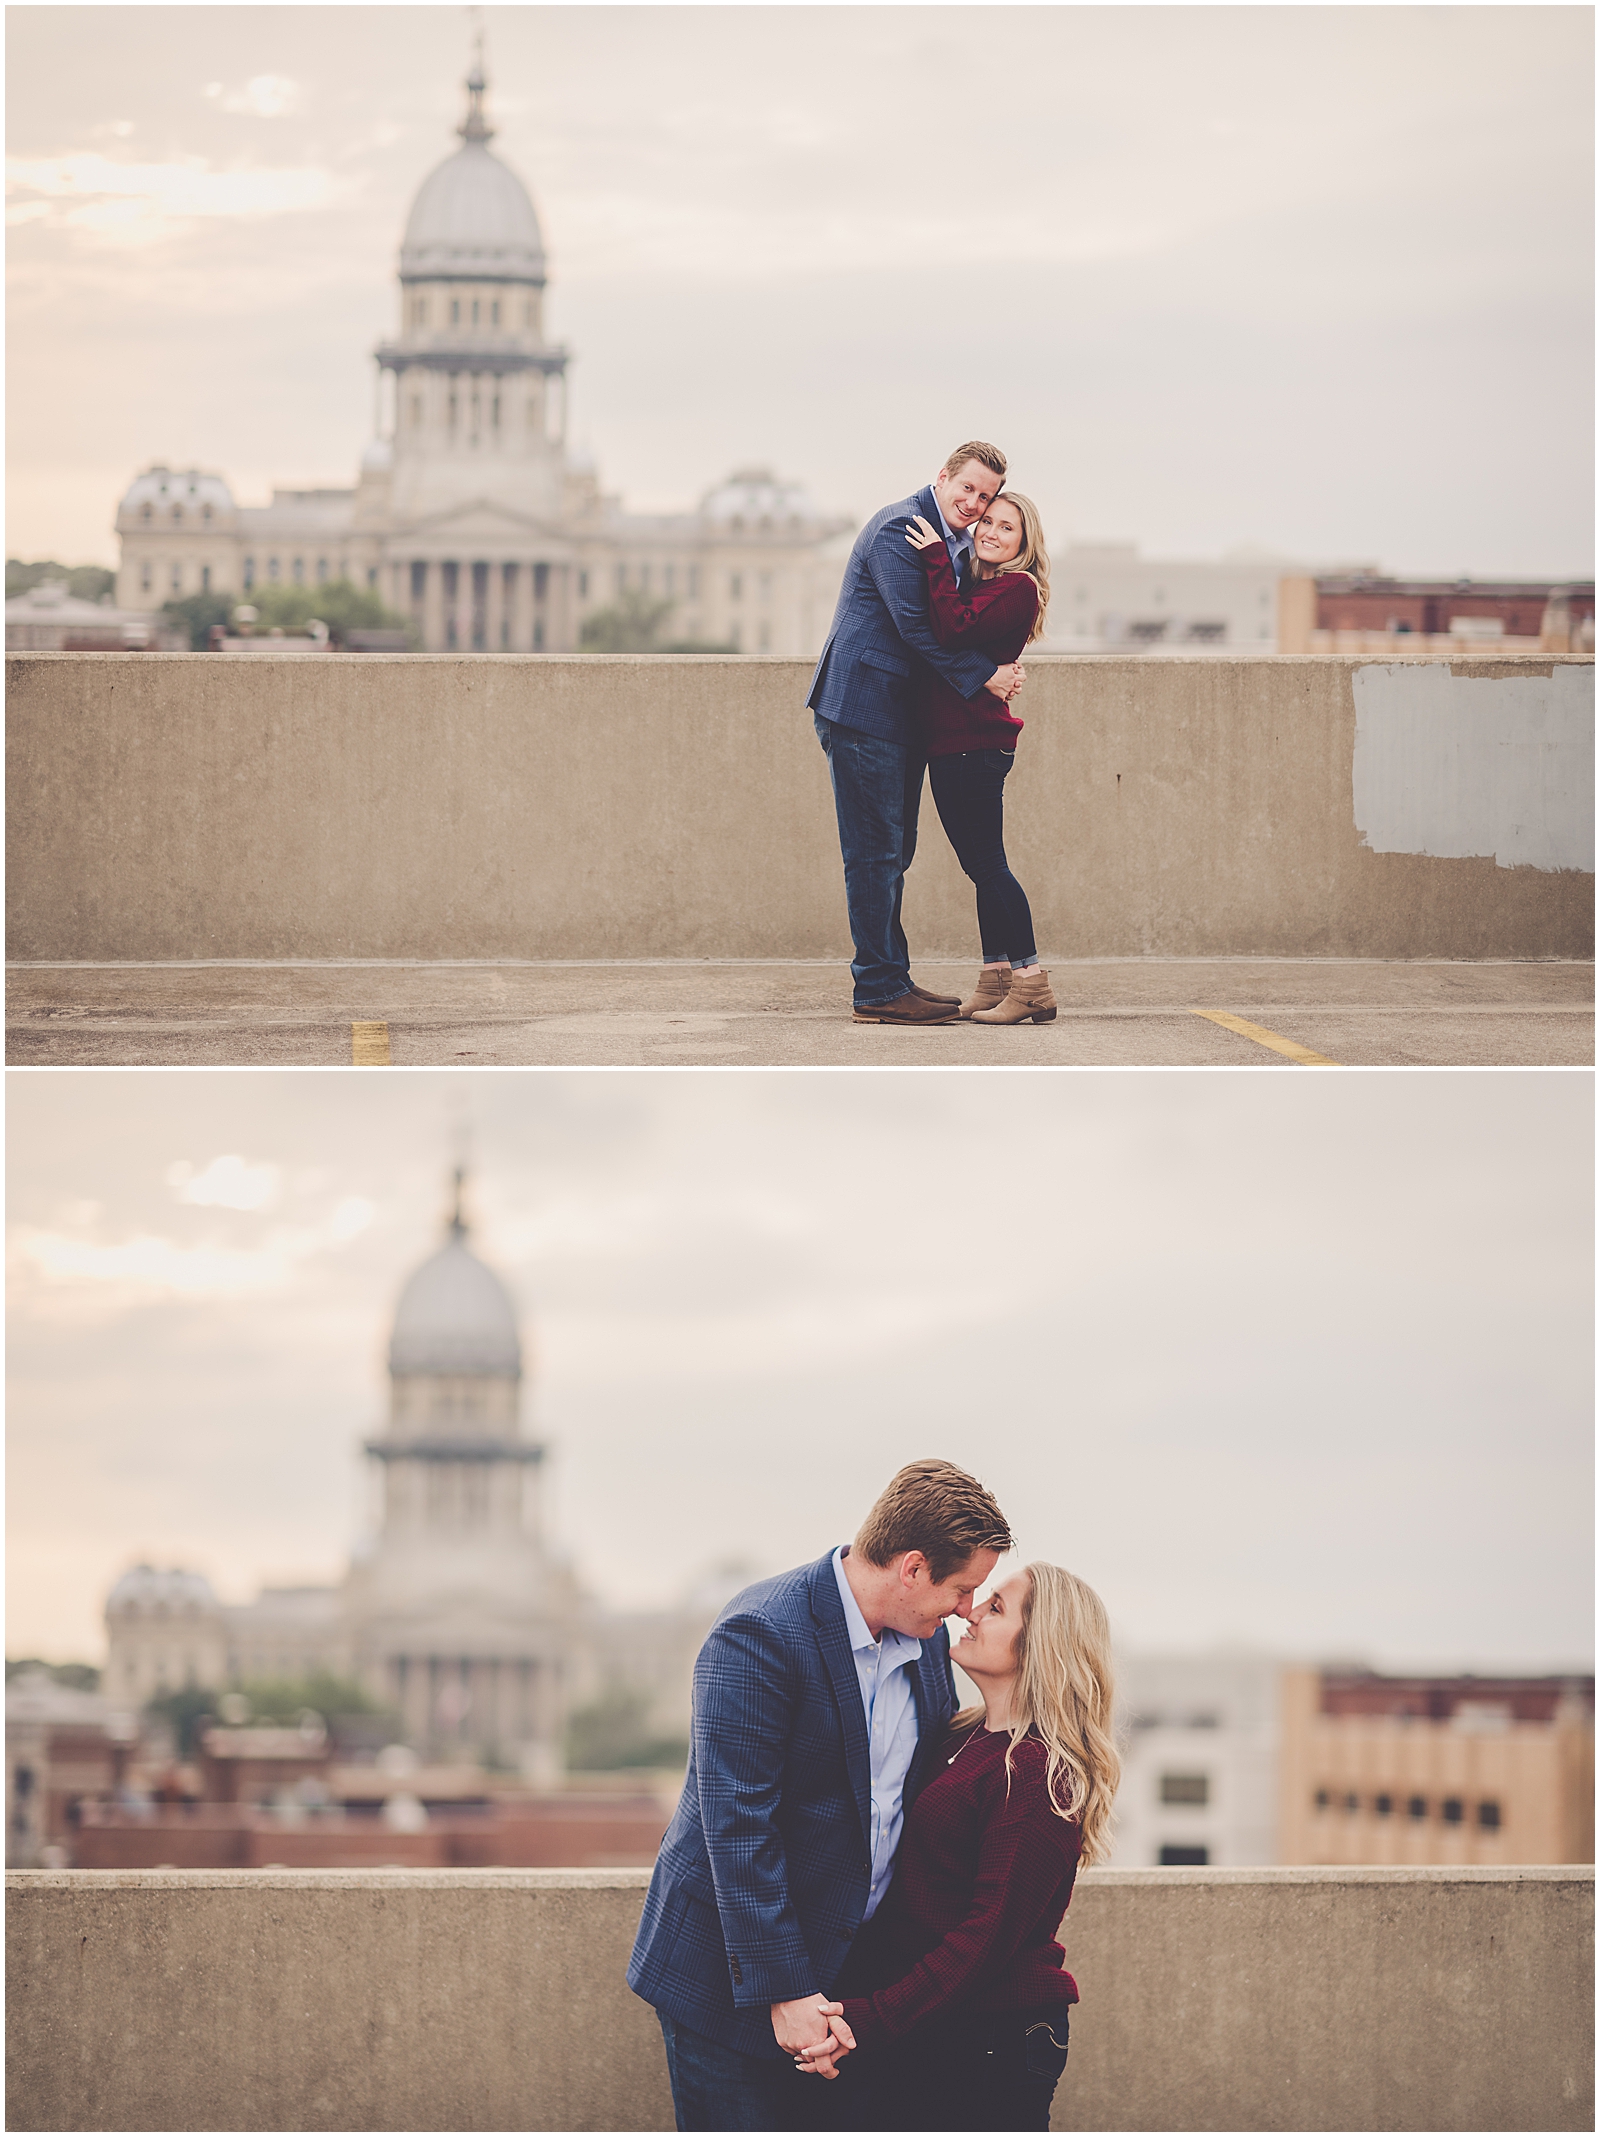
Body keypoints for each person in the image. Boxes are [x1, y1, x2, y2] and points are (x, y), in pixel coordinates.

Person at [627, 1459, 1014, 2132]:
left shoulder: (925, 1646)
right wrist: (787, 1990)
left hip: (846, 1986)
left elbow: (908, 1801)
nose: (965, 1609)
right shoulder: (759, 1633)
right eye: (961, 1588)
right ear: (913, 1567)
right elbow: (739, 1828)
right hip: (729, 1979)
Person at [793, 1561, 1119, 2133]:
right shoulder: (963, 1737)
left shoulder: (1038, 1771)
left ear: (1041, 1643)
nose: (968, 1611)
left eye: (995, 1609)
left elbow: (986, 1937)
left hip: (993, 2037)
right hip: (938, 2026)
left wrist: (869, 2020)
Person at [806, 443, 1027, 1027]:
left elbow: (954, 622)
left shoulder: (949, 541)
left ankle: (891, 979)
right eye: (968, 489)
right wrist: (988, 678)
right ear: (943, 476)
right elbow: (916, 629)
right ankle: (876, 989)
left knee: (893, 851)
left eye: (985, 497)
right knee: (874, 853)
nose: (975, 504)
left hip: (897, 716)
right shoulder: (901, 529)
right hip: (861, 707)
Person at [902, 491, 1056, 1026]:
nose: (990, 531)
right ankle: (995, 979)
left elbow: (951, 629)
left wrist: (933, 560)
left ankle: (1031, 984)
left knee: (990, 866)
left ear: (1024, 541)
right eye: (986, 521)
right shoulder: (984, 584)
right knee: (980, 868)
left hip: (975, 742)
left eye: (1005, 527)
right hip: (955, 739)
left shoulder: (1018, 587)